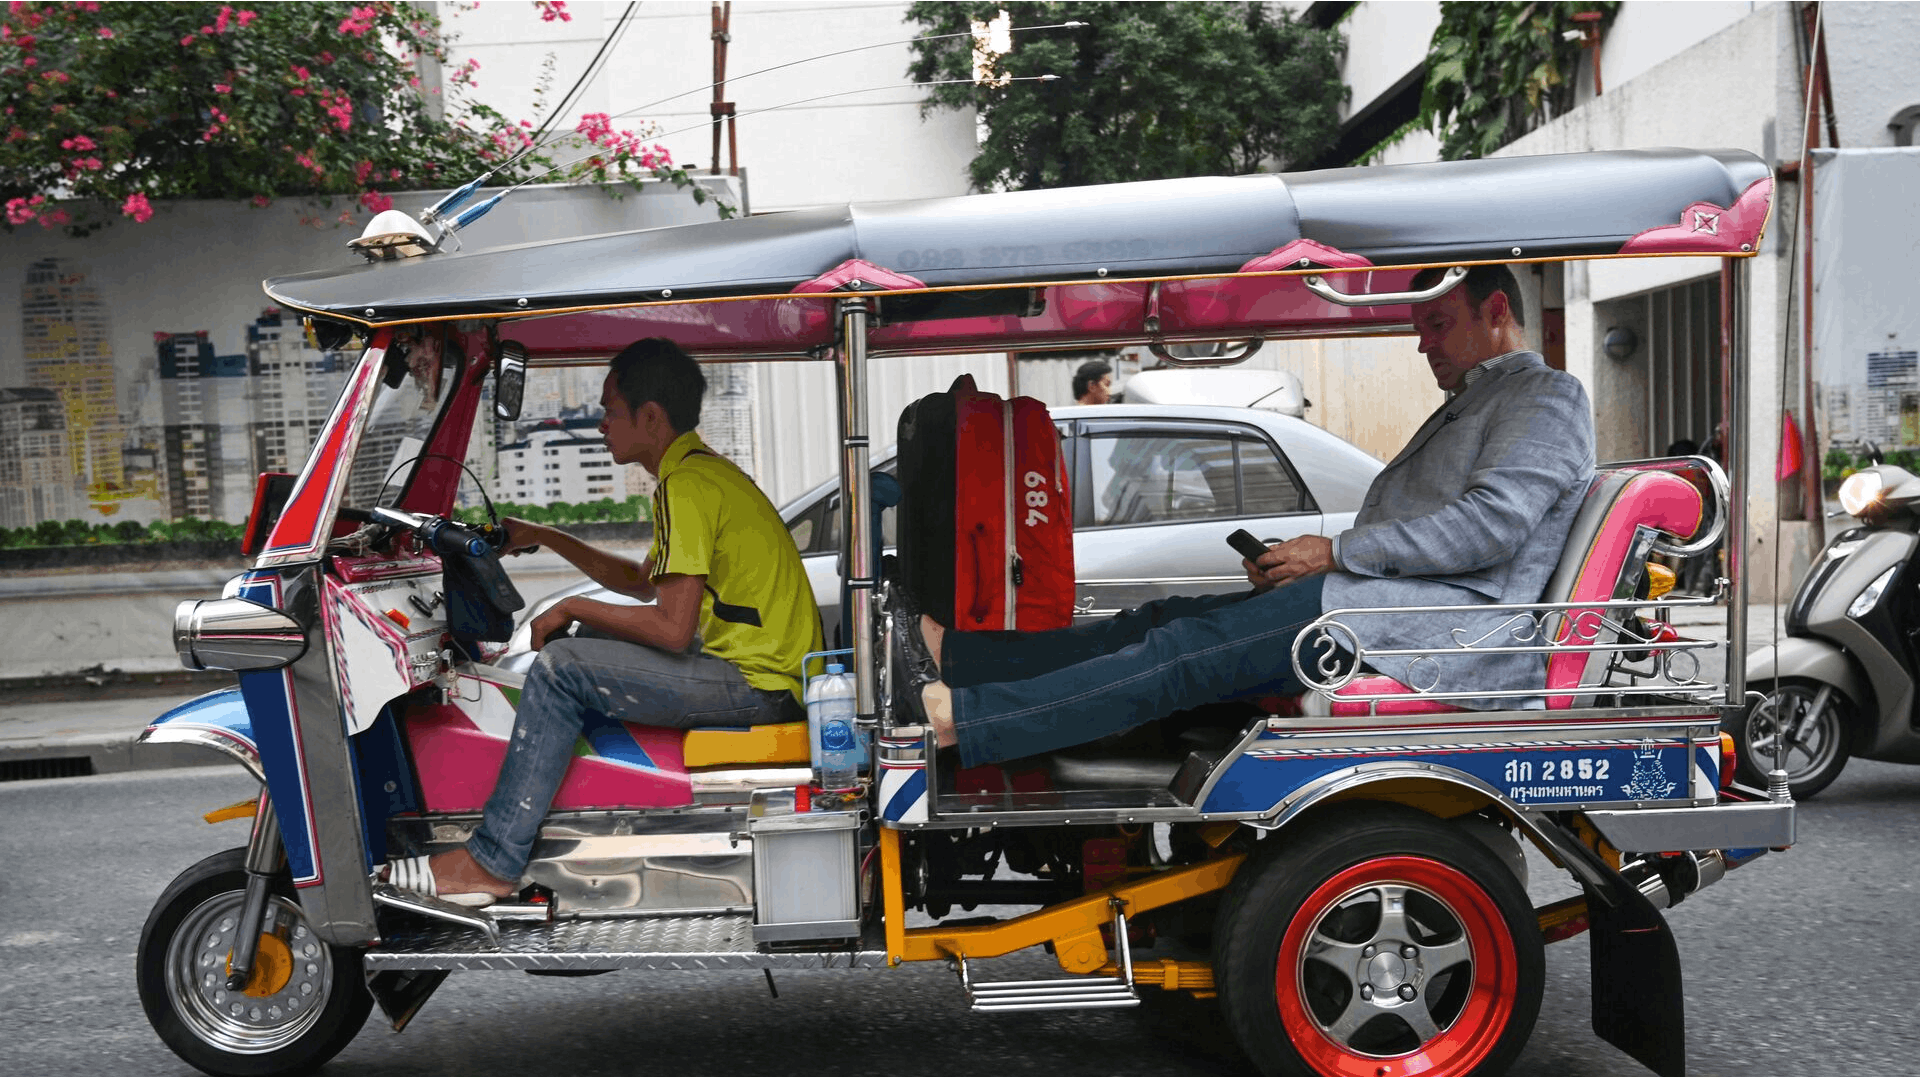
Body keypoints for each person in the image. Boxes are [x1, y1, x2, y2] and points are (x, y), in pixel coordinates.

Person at [895, 264, 1596, 768]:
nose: (1423, 344)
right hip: (1371, 606)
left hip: (1426, 632)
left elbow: (1490, 526)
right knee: (1160, 621)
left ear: (1496, 310)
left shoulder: (1544, 397)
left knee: (1177, 657)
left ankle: (968, 718)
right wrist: (1311, 558)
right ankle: (958, 656)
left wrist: (1335, 555)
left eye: (1438, 324)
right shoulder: (1483, 400)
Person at [386, 337, 824, 905]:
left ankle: (492, 859)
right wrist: (545, 536)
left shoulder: (685, 486)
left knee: (562, 666)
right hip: (762, 676)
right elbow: (644, 583)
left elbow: (672, 629)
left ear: (650, 417)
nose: (600, 426)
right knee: (589, 639)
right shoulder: (699, 473)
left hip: (757, 686)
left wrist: (566, 606)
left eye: (609, 411)